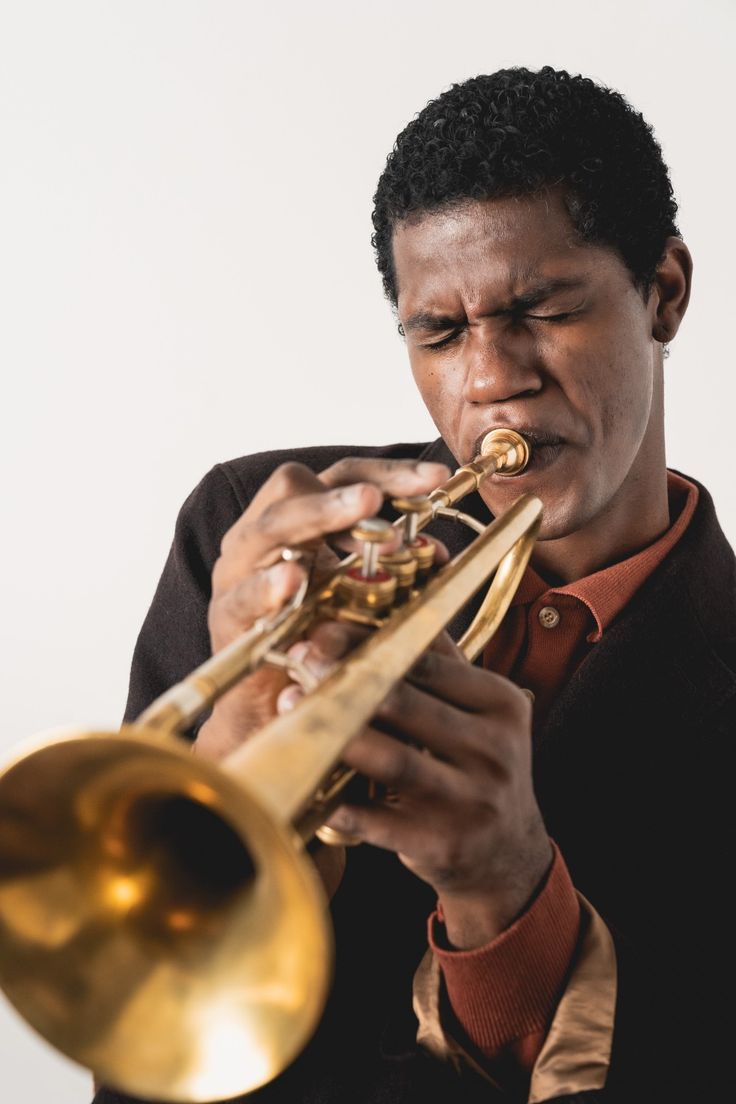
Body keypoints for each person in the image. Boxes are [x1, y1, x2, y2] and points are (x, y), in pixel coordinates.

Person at [93, 67, 734, 1103]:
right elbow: (136, 1049)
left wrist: (508, 903)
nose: (488, 378)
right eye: (438, 333)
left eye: (543, 309)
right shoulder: (256, 531)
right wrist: (224, 750)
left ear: (663, 291)